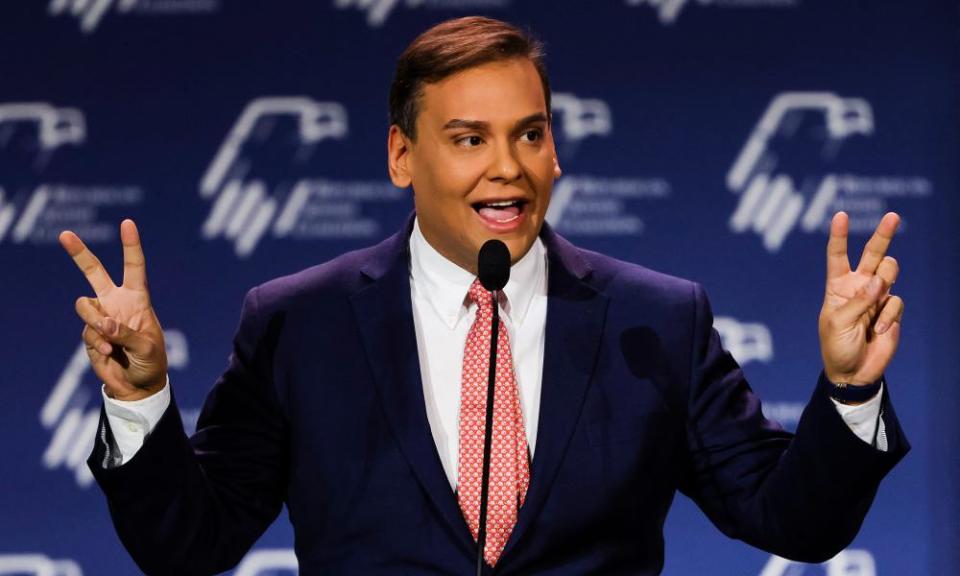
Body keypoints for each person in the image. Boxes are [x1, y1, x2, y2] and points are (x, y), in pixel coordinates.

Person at [59, 16, 908, 576]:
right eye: (469, 139)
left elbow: (791, 521)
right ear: (402, 157)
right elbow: (190, 542)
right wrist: (137, 399)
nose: (507, 166)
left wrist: (850, 388)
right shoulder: (298, 323)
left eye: (529, 134)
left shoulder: (656, 319)